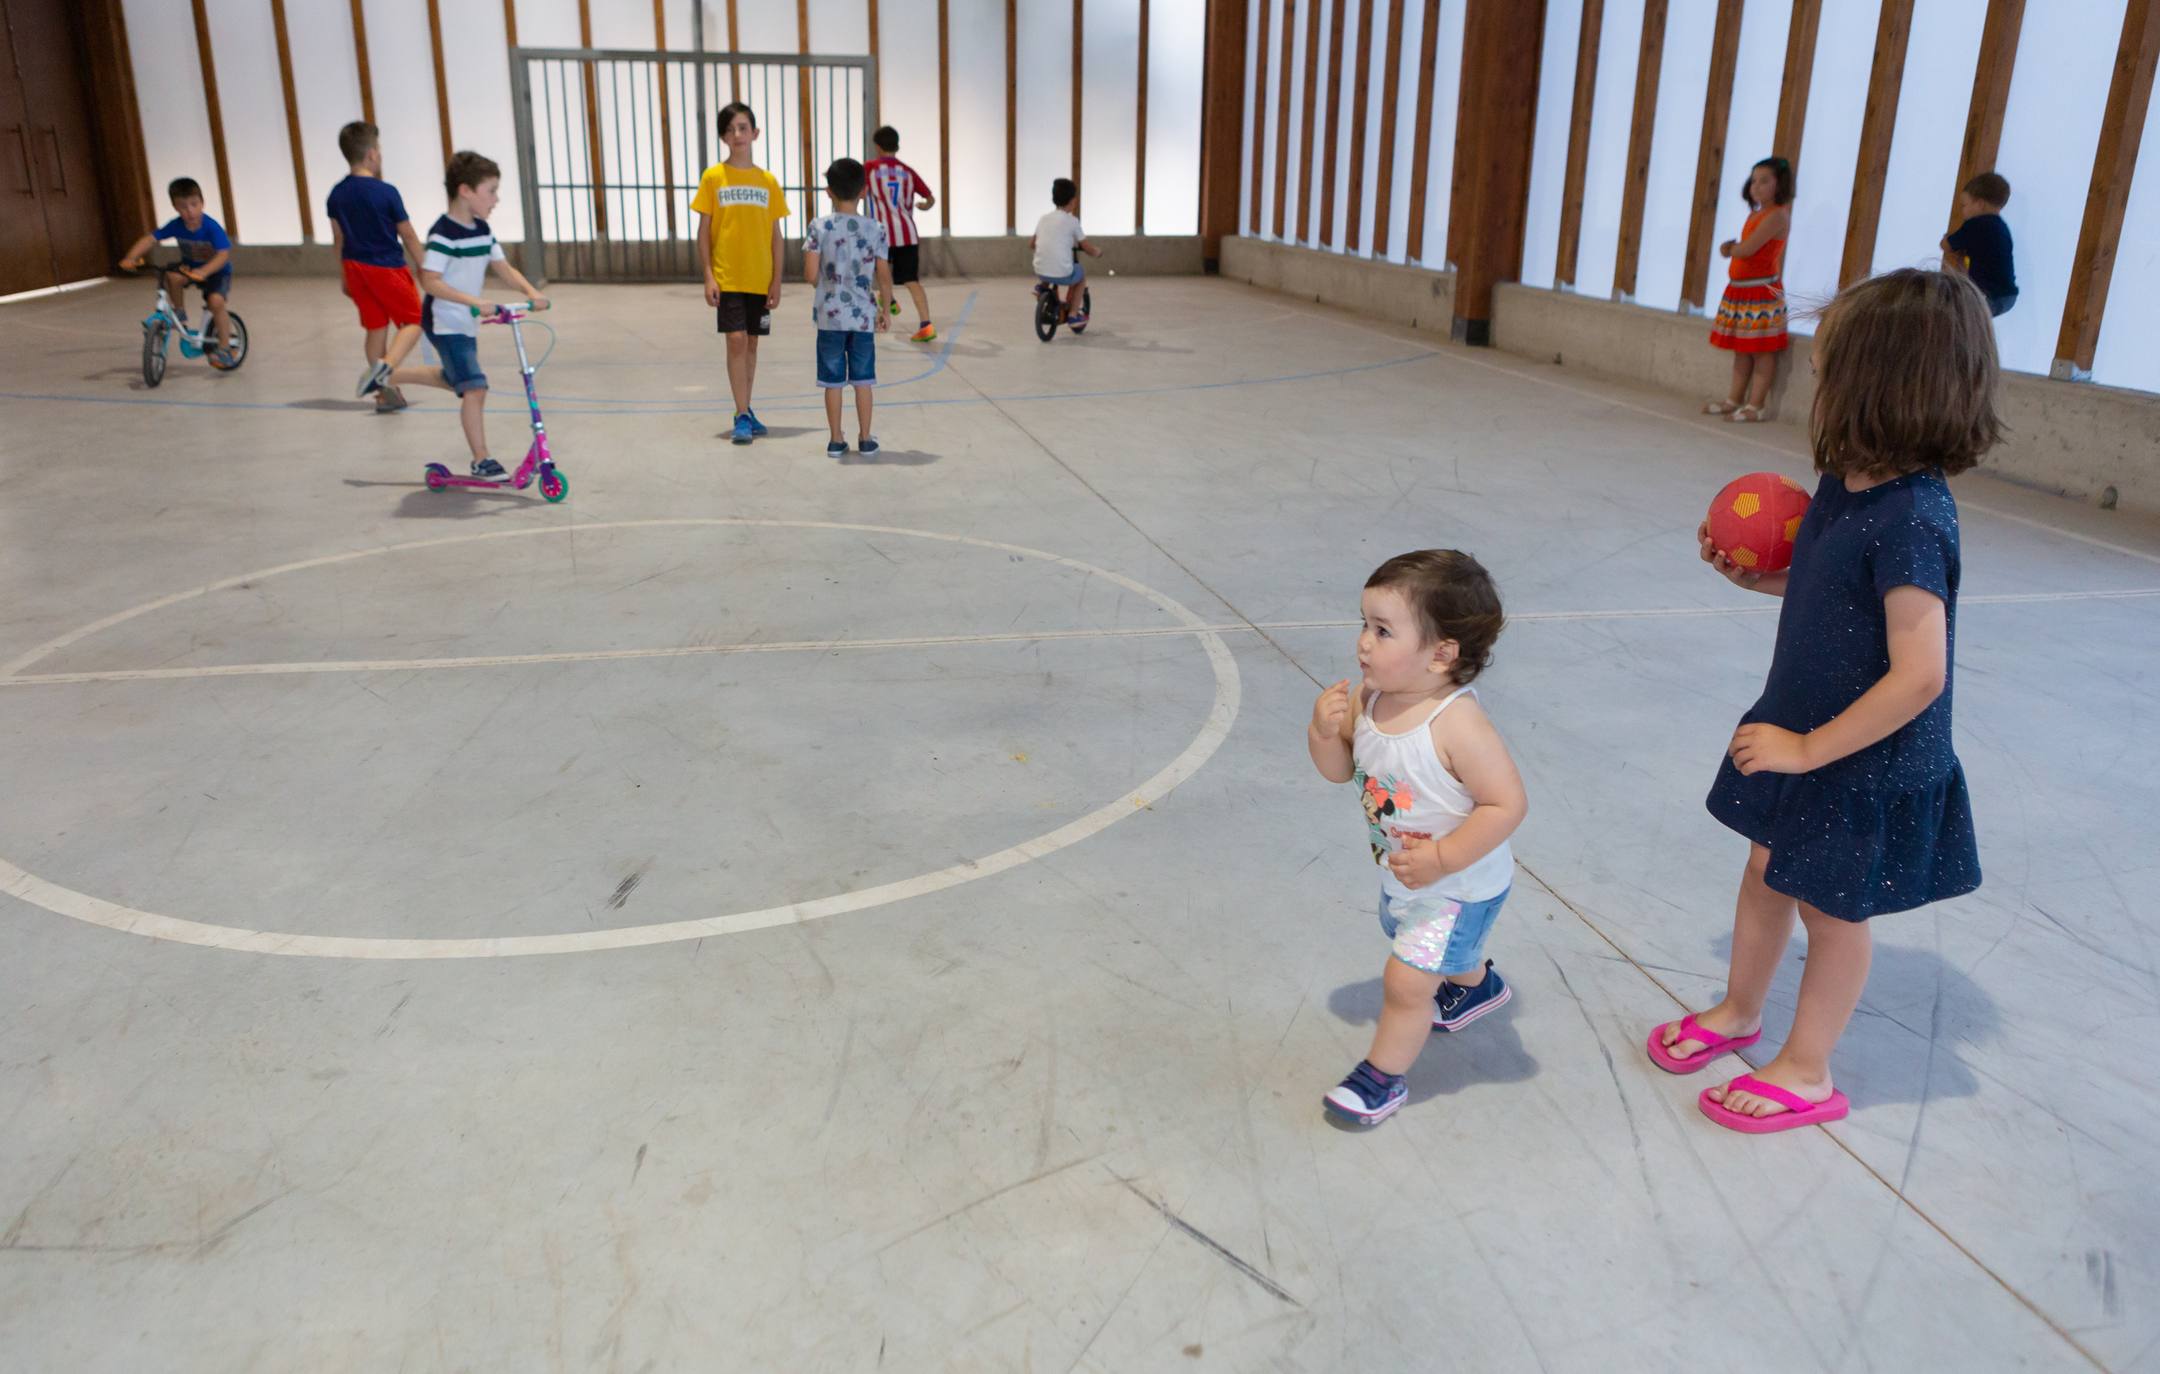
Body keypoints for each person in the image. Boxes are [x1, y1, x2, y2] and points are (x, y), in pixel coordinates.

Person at [1654, 268, 1998, 1134]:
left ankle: (1807, 1073)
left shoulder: (1914, 516)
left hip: (1862, 757)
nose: (1816, 375)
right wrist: (1758, 579)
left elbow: (1920, 672)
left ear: (1882, 383)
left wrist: (1808, 751)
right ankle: (1739, 1011)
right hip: (1804, 728)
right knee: (1766, 872)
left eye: (1830, 363)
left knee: (1831, 912)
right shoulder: (1846, 481)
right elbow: (1832, 601)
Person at [1307, 551, 1528, 1126]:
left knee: (1406, 982)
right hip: (1405, 873)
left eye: (1382, 631)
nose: (1363, 642)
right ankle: (1478, 988)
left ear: (1441, 655)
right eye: (1364, 623)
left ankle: (1381, 1080)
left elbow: (1506, 804)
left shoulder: (1457, 725)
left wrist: (1443, 858)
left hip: (1457, 884)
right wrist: (1324, 733)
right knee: (1424, 945)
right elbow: (1339, 771)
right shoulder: (1369, 700)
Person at [383, 151, 550, 479]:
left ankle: (387, 376)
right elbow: (430, 281)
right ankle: (481, 460)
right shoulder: (443, 234)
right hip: (445, 320)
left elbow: (503, 267)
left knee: (455, 377)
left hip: (465, 320)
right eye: (491, 190)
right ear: (466, 191)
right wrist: (473, 300)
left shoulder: (482, 230)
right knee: (475, 387)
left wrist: (531, 293)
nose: (496, 199)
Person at [691, 102, 790, 446]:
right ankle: (741, 414)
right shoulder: (713, 178)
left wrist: (777, 279)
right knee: (734, 340)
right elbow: (704, 231)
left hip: (759, 277)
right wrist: (708, 275)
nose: (738, 135)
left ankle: (746, 407)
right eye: (731, 129)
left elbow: (776, 235)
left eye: (743, 128)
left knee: (750, 343)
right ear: (723, 137)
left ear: (755, 133)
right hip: (727, 276)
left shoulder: (768, 181)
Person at [326, 121, 427, 412]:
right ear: (371, 154)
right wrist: (424, 267)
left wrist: (344, 274)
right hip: (386, 268)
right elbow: (407, 234)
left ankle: (385, 394)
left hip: (355, 268)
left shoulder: (336, 194)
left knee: (376, 329)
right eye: (379, 150)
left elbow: (338, 238)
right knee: (414, 321)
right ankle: (386, 367)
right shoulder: (386, 192)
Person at [802, 158, 892, 458]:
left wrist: (826, 284)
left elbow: (810, 275)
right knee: (863, 380)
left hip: (829, 317)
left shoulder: (819, 226)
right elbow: (883, 273)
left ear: (829, 191)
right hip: (863, 317)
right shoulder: (875, 228)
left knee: (833, 381)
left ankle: (836, 439)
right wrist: (885, 306)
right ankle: (866, 438)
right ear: (864, 191)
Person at [1704, 156, 1793, 424]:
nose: (1756, 186)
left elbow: (1748, 248)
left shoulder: (1778, 215)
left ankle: (1756, 405)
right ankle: (1735, 398)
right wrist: (1733, 249)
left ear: (1780, 185)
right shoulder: (1756, 214)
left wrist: (1730, 249)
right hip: (1742, 291)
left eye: (1764, 181)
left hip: (1760, 293)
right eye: (1754, 180)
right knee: (1742, 350)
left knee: (1761, 351)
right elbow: (1742, 249)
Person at [117, 177, 237, 365]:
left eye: (194, 204)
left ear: (202, 203)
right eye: (183, 207)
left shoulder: (211, 227)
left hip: (216, 271)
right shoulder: (176, 225)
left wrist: (204, 272)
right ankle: (179, 313)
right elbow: (150, 239)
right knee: (171, 276)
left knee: (216, 302)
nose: (189, 211)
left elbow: (223, 255)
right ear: (175, 207)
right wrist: (131, 257)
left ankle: (225, 347)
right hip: (190, 269)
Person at [863, 126, 938, 342]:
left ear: (877, 146)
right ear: (897, 145)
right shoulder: (908, 171)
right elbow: (930, 199)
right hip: (908, 234)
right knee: (912, 280)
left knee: (881, 276)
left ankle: (887, 309)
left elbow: (854, 187)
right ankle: (926, 325)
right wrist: (924, 205)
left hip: (881, 235)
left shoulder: (870, 168)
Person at [1943, 172, 2018, 318]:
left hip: (1990, 296)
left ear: (1980, 204)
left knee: (1955, 316)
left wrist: (1946, 237)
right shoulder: (2001, 226)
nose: (1963, 211)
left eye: (1964, 205)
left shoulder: (1975, 224)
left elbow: (1947, 245)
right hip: (2008, 295)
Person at [1030, 178, 1101, 326]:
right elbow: (1086, 247)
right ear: (1073, 200)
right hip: (1062, 272)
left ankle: (1041, 287)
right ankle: (1074, 315)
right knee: (1080, 276)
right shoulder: (1072, 221)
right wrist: (1097, 252)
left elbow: (1032, 244)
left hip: (1040, 271)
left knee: (1049, 261)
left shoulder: (1043, 219)